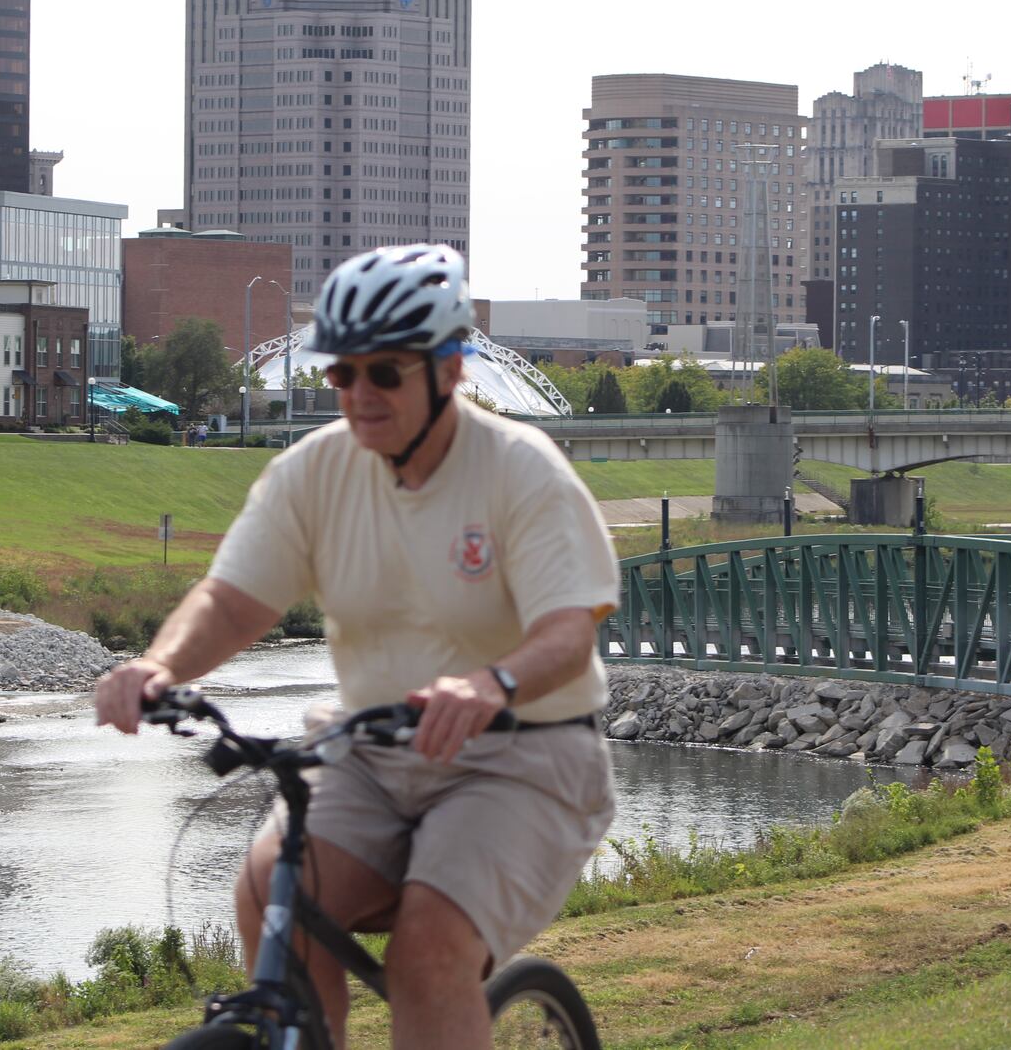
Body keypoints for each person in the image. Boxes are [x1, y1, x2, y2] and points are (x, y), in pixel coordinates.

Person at [93, 244, 618, 1049]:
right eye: (341, 374)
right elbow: (232, 601)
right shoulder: (315, 471)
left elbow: (569, 629)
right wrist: (159, 665)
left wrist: (489, 684)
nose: (358, 394)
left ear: (450, 370)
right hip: (370, 750)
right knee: (274, 890)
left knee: (429, 950)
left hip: (525, 755)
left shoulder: (520, 471)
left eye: (385, 373)